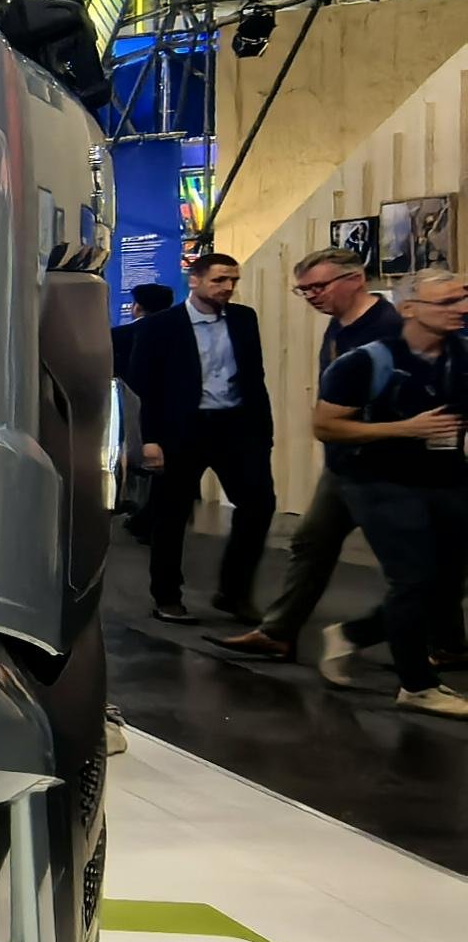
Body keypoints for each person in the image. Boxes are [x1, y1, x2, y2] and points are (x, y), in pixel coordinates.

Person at [218, 246, 402, 672]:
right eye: (304, 290)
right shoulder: (339, 324)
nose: (312, 296)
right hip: (343, 465)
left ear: (355, 279)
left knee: (411, 566)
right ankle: (278, 633)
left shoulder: (389, 330)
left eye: (319, 287)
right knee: (311, 542)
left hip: (382, 467)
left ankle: (438, 645)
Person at [313, 265, 468, 718]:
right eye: (448, 302)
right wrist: (405, 428)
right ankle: (416, 685)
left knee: (446, 585)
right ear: (410, 309)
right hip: (377, 480)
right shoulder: (365, 362)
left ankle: (354, 635)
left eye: (463, 299)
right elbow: (326, 426)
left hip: (446, 477)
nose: (461, 309)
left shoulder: (461, 356)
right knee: (414, 579)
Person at [115, 246, 273, 625]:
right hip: (181, 431)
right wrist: (149, 439)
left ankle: (234, 592)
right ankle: (167, 595)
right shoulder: (159, 327)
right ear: (195, 280)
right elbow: (142, 387)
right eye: (219, 280)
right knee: (171, 516)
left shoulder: (243, 319)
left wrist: (262, 432)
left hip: (236, 428)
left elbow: (254, 376)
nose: (227, 287)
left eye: (233, 280)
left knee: (259, 505)